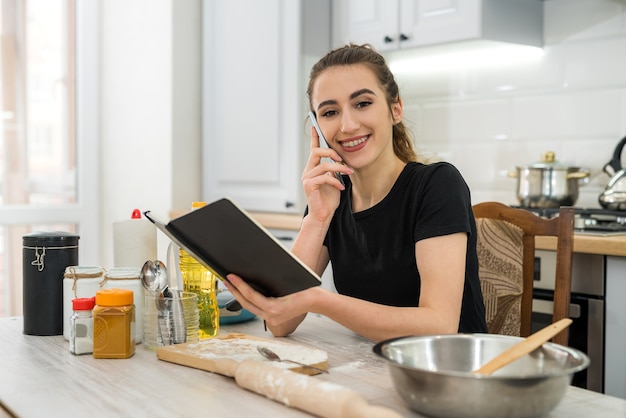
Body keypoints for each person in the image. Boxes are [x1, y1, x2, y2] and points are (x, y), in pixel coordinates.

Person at [224, 44, 487, 342]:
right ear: (317, 127)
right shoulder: (331, 196)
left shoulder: (437, 185)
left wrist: (320, 300)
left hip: (454, 375)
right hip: (379, 370)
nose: (348, 125)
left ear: (395, 109)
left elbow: (439, 325)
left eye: (362, 103)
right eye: (330, 112)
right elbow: (279, 323)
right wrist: (318, 219)